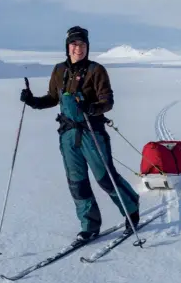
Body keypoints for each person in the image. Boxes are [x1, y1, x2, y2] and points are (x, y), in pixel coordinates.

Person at [20, 26, 140, 241]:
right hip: (67, 134)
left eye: (82, 44)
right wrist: (33, 101)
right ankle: (89, 224)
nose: (78, 48)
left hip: (92, 132)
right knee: (77, 182)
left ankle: (131, 210)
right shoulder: (59, 70)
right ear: (67, 47)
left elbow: (107, 101)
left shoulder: (96, 70)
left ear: (87, 47)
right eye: (74, 44)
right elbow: (52, 98)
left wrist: (92, 108)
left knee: (105, 178)